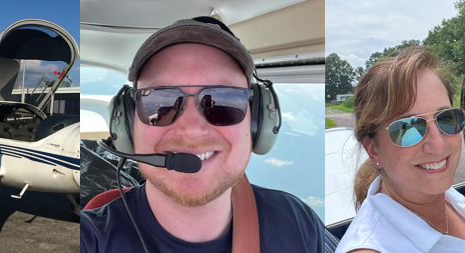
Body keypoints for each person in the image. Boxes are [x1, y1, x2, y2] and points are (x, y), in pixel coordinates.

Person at [80, 16, 323, 252]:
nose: (192, 129)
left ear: (257, 122)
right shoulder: (88, 238)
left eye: (223, 101)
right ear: (126, 125)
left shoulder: (299, 222)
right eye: (159, 102)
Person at [335, 48, 465, 253]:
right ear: (373, 150)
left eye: (446, 118)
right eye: (407, 127)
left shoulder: (447, 197)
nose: (437, 145)